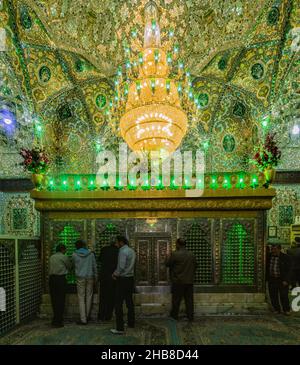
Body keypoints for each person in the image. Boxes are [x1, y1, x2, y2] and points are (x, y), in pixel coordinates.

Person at [166, 238, 196, 322]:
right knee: (189, 300)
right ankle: (190, 317)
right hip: (189, 281)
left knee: (176, 300)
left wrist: (168, 256)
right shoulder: (192, 254)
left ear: (178, 244)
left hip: (178, 281)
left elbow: (168, 264)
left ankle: (174, 316)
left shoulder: (175, 254)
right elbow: (195, 266)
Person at [110, 236, 136, 335]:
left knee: (118, 303)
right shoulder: (131, 251)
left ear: (121, 242)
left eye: (116, 242)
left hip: (122, 279)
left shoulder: (122, 251)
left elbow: (121, 266)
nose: (116, 244)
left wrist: (115, 274)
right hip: (130, 279)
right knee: (129, 302)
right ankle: (131, 323)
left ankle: (120, 328)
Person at [72, 239, 98, 325]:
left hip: (80, 277)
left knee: (81, 297)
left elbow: (73, 266)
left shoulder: (74, 254)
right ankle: (87, 316)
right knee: (89, 296)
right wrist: (96, 277)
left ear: (76, 246)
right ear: (84, 245)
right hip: (90, 276)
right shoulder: (91, 254)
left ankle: (83, 319)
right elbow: (94, 266)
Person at [48, 244, 71, 328]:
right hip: (61, 279)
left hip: (52, 279)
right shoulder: (64, 257)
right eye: (65, 250)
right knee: (61, 300)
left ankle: (55, 319)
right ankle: (59, 320)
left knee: (54, 300)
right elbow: (69, 266)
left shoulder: (51, 257)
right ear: (62, 249)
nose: (66, 251)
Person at [266, 244, 292, 315]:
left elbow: (289, 270)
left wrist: (286, 280)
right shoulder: (269, 256)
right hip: (272, 279)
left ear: (279, 249)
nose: (273, 250)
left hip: (282, 279)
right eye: (272, 249)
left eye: (275, 249)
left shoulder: (286, 257)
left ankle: (286, 309)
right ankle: (277, 309)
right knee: (273, 295)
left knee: (284, 295)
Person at [98, 239, 119, 321]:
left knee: (103, 296)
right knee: (111, 297)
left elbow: (99, 260)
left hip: (103, 276)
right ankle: (108, 316)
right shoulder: (118, 251)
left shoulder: (104, 249)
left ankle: (101, 315)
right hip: (113, 276)